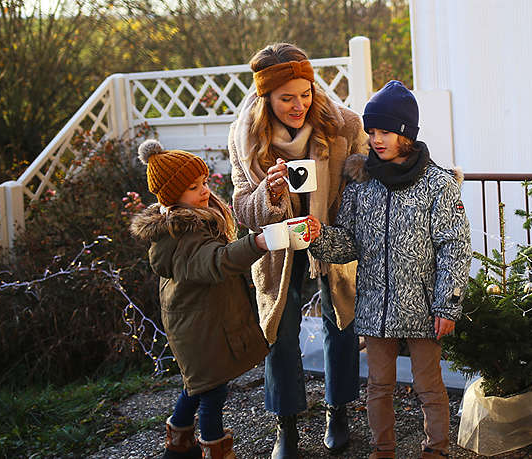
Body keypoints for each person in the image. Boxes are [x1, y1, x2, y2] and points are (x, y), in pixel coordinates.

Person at [308, 80, 472, 459]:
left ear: (406, 134)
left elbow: (455, 246)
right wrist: (317, 237)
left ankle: (436, 450)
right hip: (375, 307)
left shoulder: (437, 184)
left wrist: (447, 305)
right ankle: (383, 450)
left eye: (385, 131)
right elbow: (348, 243)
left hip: (423, 307)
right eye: (372, 131)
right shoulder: (360, 183)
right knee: (378, 385)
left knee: (429, 385)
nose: (376, 139)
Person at [227, 43, 367, 457]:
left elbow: (363, 187)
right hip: (278, 249)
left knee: (341, 323)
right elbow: (242, 208)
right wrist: (268, 194)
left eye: (305, 94)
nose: (299, 105)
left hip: (330, 236)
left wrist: (335, 222)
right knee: (280, 333)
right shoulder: (246, 137)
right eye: (287, 98)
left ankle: (337, 409)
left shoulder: (342, 126)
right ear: (266, 97)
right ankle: (285, 425)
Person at [130, 140, 270, 459]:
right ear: (171, 196)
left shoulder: (192, 219)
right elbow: (216, 261)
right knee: (212, 391)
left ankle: (178, 445)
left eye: (204, 182)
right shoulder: (184, 233)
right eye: (193, 187)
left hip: (198, 320)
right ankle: (214, 449)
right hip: (198, 326)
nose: (204, 190)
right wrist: (256, 244)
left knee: (199, 384)